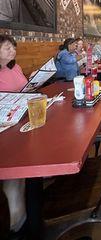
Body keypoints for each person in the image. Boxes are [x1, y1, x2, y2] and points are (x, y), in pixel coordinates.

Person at [0, 35, 35, 239]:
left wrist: (29, 88)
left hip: (22, 121)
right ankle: (17, 225)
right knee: (16, 170)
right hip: (6, 129)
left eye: (13, 47)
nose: (12, 51)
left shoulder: (16, 67)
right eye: (7, 48)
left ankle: (27, 217)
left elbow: (24, 87)